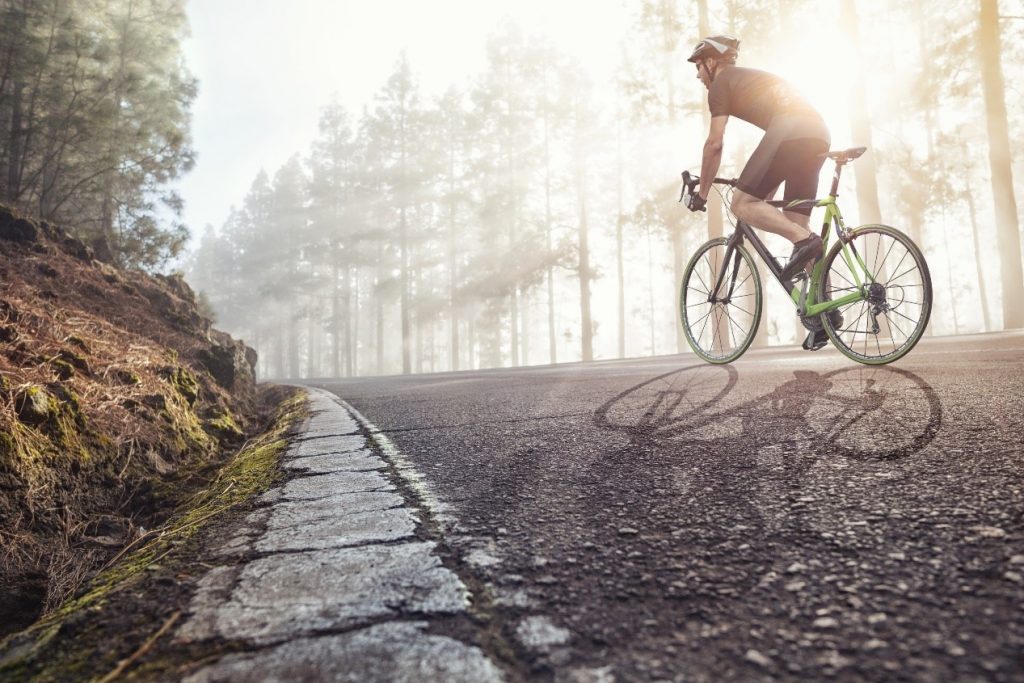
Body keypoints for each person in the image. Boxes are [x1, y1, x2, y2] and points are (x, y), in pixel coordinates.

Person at [684, 35, 830, 283]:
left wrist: (702, 194)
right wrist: (762, 188)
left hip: (791, 130)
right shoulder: (747, 79)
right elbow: (781, 157)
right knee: (797, 222)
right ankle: (826, 308)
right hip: (818, 134)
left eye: (698, 66)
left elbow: (714, 143)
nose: (698, 75)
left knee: (741, 204)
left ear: (710, 61)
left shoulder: (721, 84)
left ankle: (805, 241)